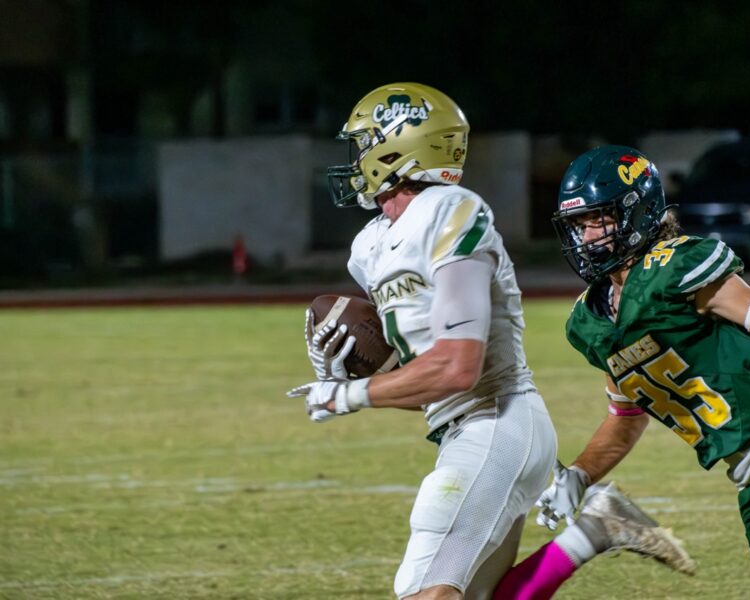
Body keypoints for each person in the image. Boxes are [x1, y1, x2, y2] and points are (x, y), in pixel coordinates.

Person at [287, 85, 691, 600]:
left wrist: (351, 395)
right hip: (469, 427)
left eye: (365, 142)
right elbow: (433, 378)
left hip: (497, 424)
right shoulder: (368, 247)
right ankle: (596, 530)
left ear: (399, 145)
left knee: (426, 595)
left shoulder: (450, 212)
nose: (357, 157)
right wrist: (368, 374)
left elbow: (459, 368)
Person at [524, 144, 750, 599]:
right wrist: (579, 474)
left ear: (636, 212)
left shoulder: (676, 266)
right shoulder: (589, 321)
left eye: (597, 220)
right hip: (746, 471)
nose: (586, 237)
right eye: (578, 225)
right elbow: (624, 419)